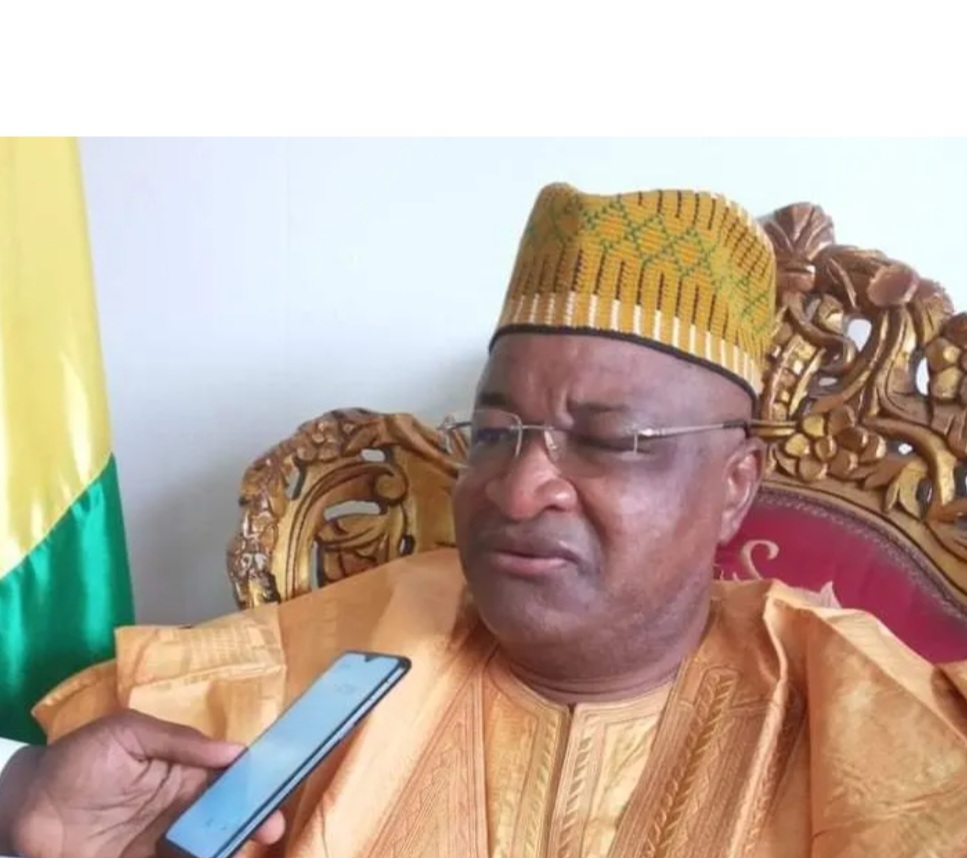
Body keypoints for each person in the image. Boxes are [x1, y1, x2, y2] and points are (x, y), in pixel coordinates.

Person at [2, 183, 967, 858]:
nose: (518, 489)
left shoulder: (864, 713)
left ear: (733, 486)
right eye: (497, 433)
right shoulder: (298, 672)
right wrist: (17, 810)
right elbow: (64, 813)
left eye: (608, 440)